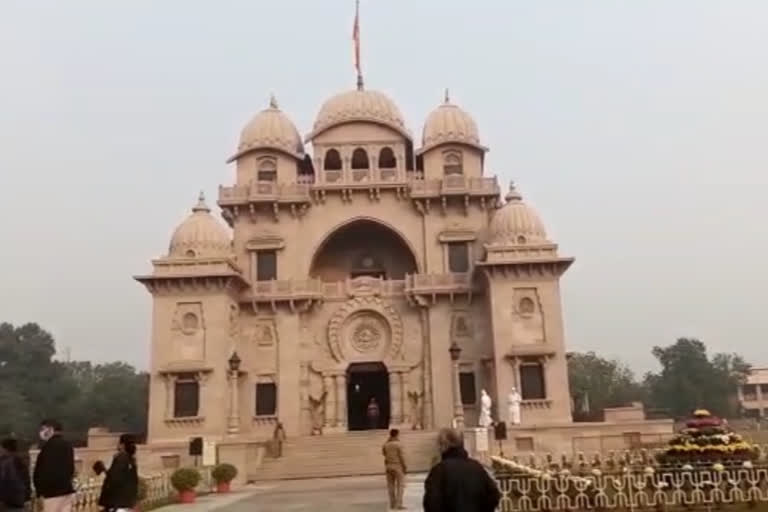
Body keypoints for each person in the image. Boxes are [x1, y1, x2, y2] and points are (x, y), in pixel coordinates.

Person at [423, 428, 501, 512]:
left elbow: (431, 502)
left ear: (445, 445)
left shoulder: (439, 470)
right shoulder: (476, 467)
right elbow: (494, 494)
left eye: (439, 445)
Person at [33, 419, 75, 512]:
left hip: (52, 494)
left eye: (43, 429)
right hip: (66, 490)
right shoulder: (68, 445)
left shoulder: (48, 447)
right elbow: (71, 469)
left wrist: (40, 491)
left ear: (51, 429)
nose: (41, 432)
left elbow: (44, 471)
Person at [97, 434, 139, 512]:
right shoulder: (131, 459)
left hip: (118, 502)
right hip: (127, 501)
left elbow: (114, 479)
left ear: (122, 445)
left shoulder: (121, 458)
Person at [0, 438, 31, 512]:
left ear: (5, 449)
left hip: (9, 501)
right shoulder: (20, 460)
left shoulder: (6, 462)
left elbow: (5, 481)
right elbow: (26, 480)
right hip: (20, 499)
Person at [382, 429, 407, 510]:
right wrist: (405, 466)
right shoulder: (398, 444)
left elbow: (384, 454)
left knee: (391, 486)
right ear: (397, 434)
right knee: (400, 486)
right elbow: (402, 456)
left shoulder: (386, 444)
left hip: (388, 466)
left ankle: (392, 504)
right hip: (397, 466)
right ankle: (398, 504)